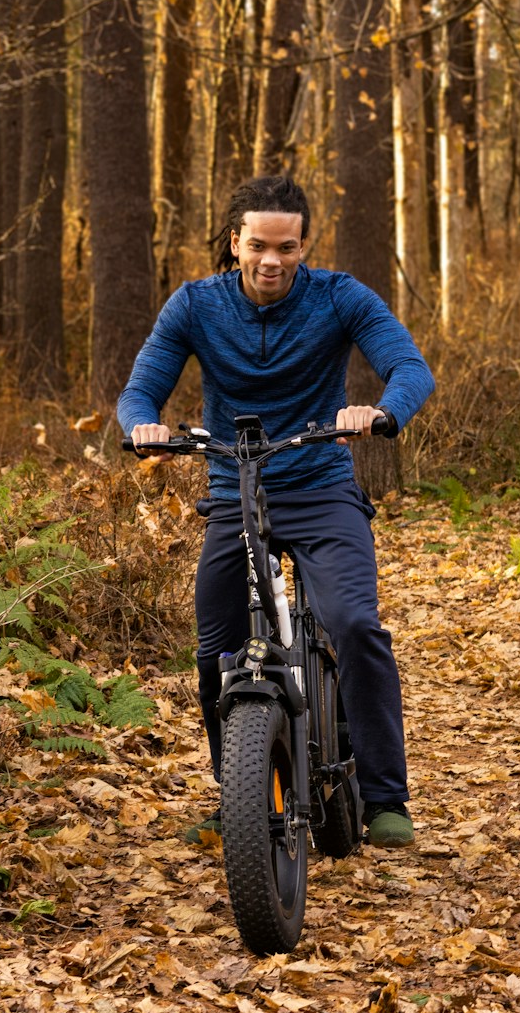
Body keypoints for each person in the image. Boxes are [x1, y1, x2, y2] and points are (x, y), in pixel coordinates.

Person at [116, 175, 434, 848]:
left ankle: (385, 798)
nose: (271, 260)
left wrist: (380, 410)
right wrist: (145, 426)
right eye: (257, 245)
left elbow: (409, 367)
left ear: (303, 245)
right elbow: (141, 389)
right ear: (235, 243)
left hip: (320, 487)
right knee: (215, 653)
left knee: (354, 624)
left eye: (286, 247)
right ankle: (240, 795)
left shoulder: (338, 297)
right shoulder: (197, 305)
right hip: (236, 492)